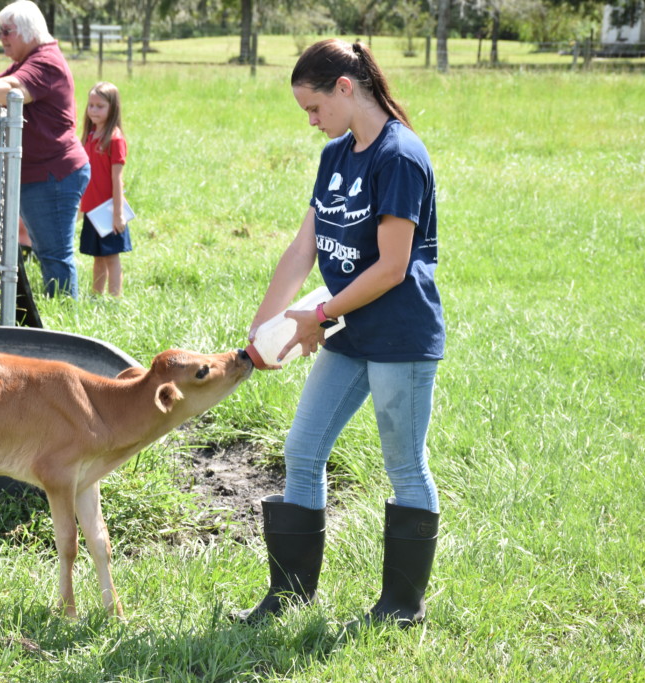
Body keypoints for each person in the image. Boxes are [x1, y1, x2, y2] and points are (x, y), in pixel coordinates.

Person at [233, 39, 445, 630]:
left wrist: (318, 317)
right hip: (348, 330)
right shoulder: (335, 155)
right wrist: (263, 330)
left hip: (400, 334)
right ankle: (291, 596)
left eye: (314, 107)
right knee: (303, 449)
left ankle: (401, 609)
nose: (311, 121)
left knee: (403, 465)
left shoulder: (399, 156)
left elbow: (392, 267)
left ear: (345, 89)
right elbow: (304, 248)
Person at [0, 0, 89, 298]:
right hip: (43, 173)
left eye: (7, 31)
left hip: (53, 173)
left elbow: (10, 89)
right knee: (46, 251)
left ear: (27, 31)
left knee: (53, 255)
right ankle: (61, 314)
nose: (1, 37)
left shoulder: (45, 61)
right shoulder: (33, 58)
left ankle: (66, 319)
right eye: (0, 30)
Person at [78, 82, 131, 297]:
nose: (94, 110)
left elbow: (117, 179)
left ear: (112, 108)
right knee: (96, 256)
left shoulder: (115, 139)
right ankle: (96, 296)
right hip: (91, 208)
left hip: (108, 210)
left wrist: (118, 214)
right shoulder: (89, 136)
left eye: (100, 106)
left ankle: (115, 298)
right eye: (91, 105)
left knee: (111, 256)